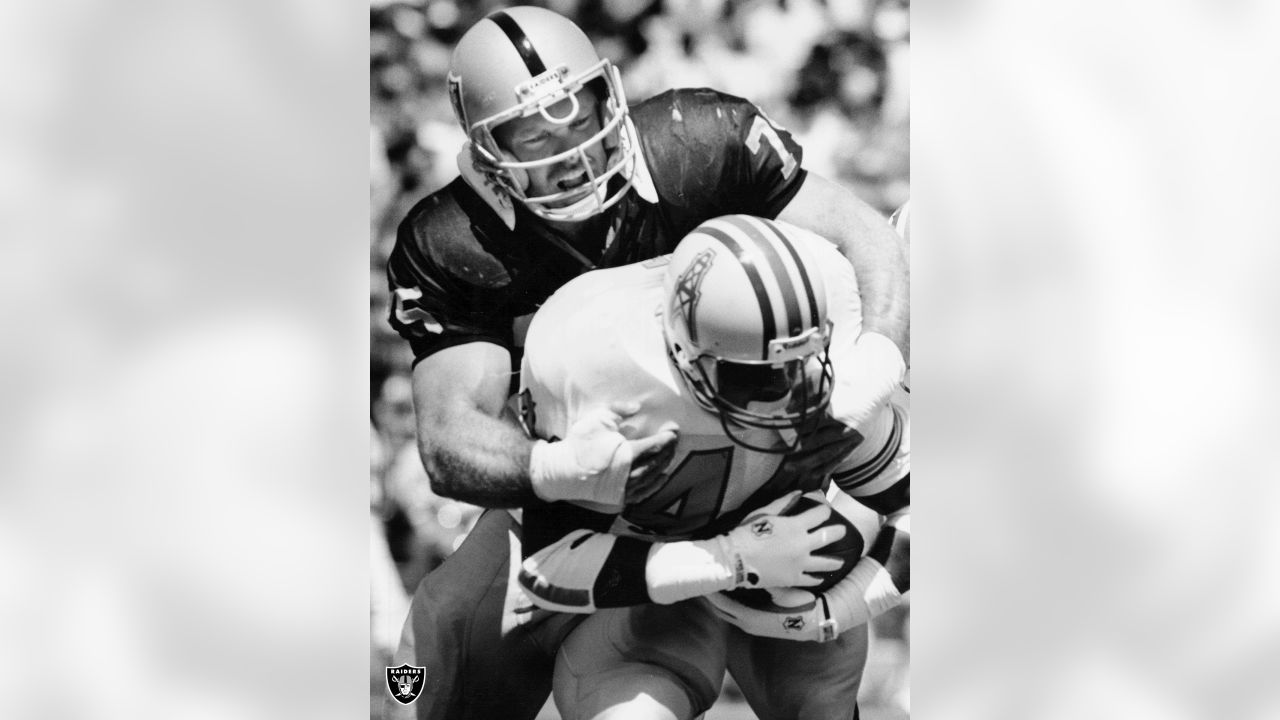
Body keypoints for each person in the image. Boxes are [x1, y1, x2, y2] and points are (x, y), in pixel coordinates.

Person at [385, 6, 909, 718]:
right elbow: (450, 440)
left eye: (579, 120)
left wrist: (869, 369)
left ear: (612, 93)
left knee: (814, 693)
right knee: (435, 654)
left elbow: (866, 238)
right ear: (484, 153)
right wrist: (560, 468)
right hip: (582, 485)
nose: (567, 154)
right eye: (532, 135)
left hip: (752, 459)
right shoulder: (456, 241)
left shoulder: (702, 141)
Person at [515, 214, 910, 720]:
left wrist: (837, 610)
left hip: (791, 599)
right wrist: (730, 558)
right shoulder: (604, 377)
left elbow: (918, 513)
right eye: (759, 378)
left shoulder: (829, 381)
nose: (787, 390)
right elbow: (545, 567)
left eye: (801, 361)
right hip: (641, 604)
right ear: (684, 355)